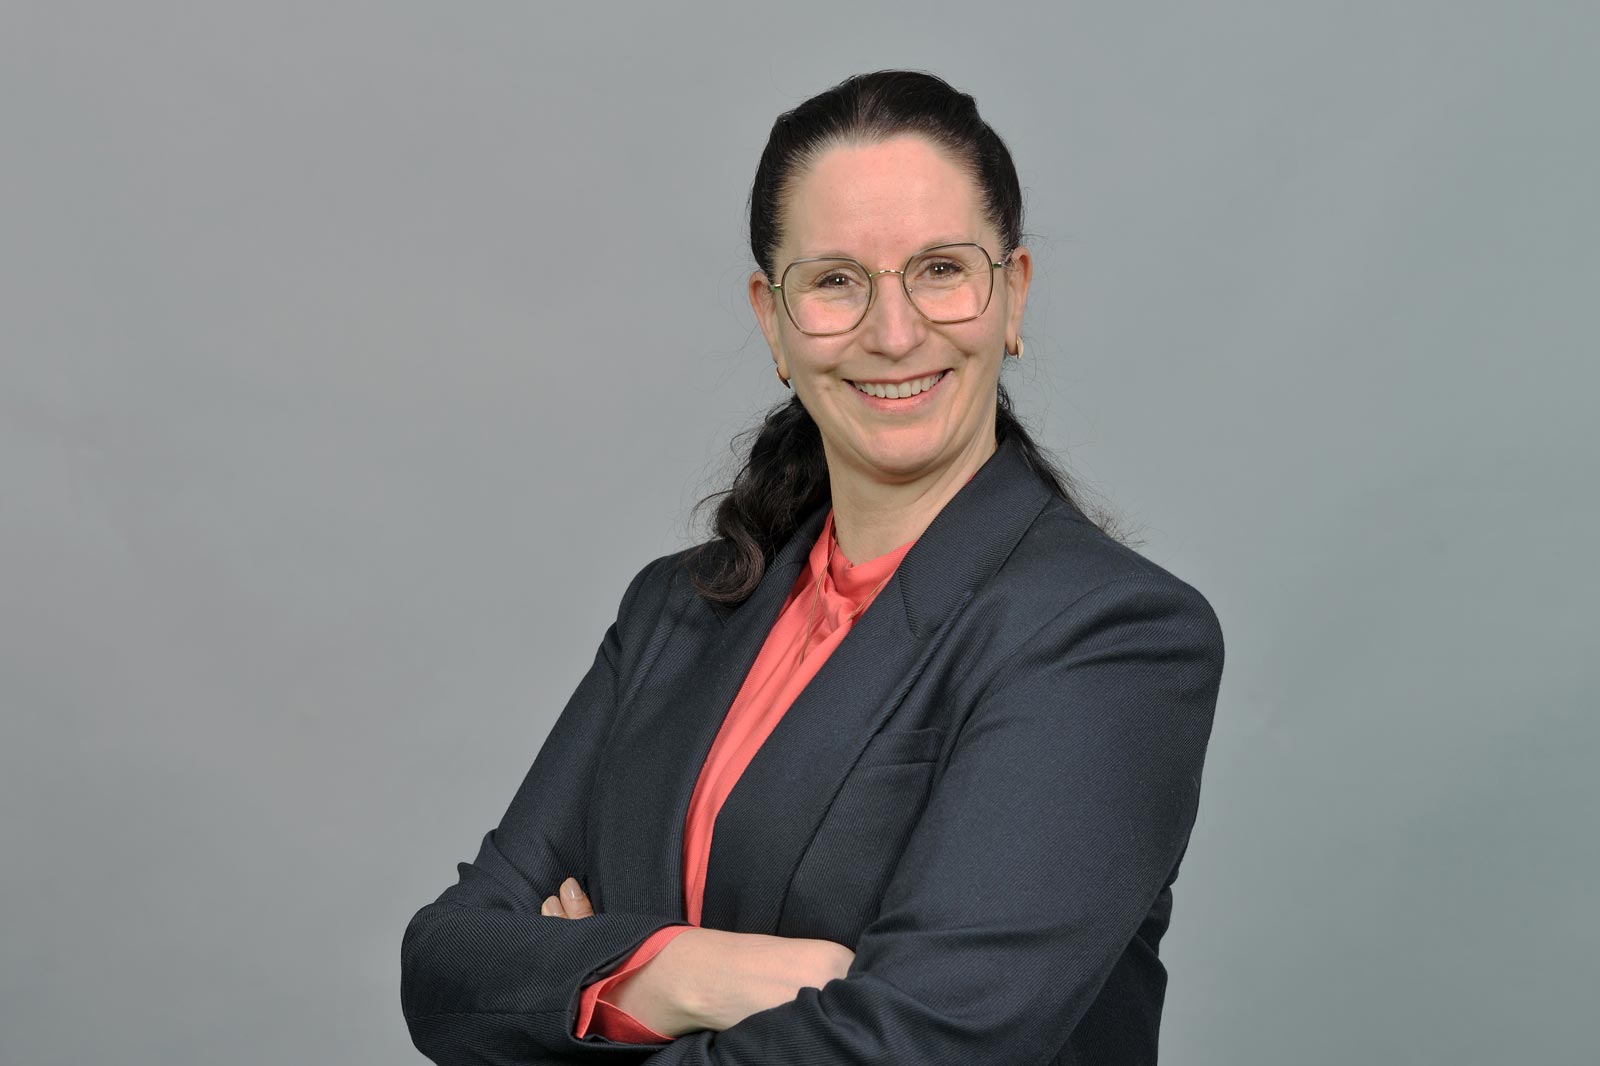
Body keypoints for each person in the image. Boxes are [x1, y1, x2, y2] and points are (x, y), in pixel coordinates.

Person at [401, 69, 1225, 1066]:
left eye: (940, 269)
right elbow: (446, 968)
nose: (893, 332)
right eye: (835, 280)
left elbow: (919, 1047)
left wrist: (588, 985)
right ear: (773, 320)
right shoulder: (674, 611)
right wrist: (691, 971)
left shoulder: (1111, 637)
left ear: (1012, 294)